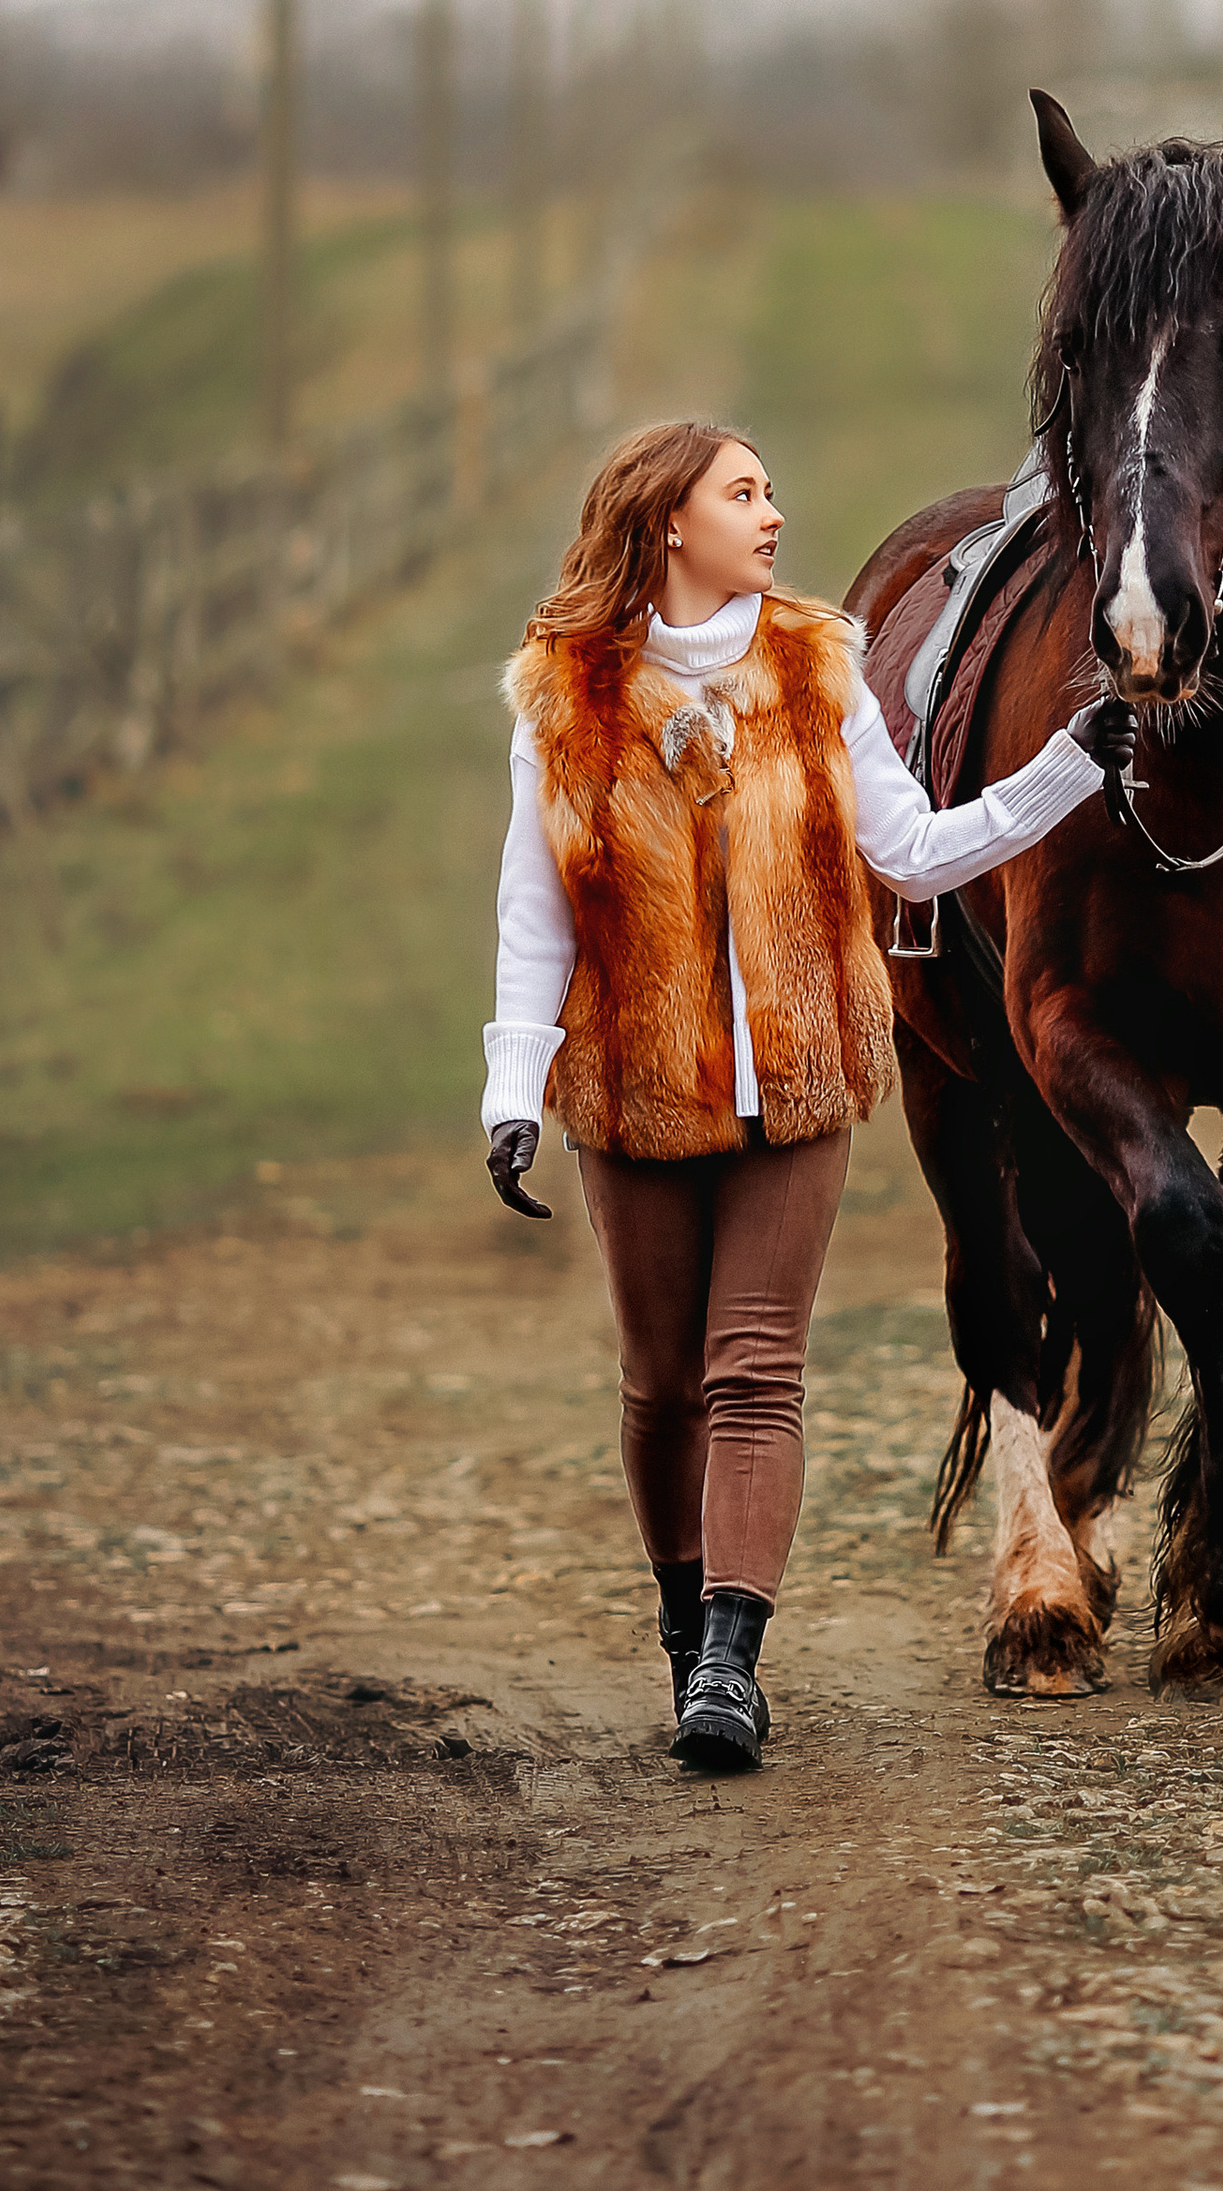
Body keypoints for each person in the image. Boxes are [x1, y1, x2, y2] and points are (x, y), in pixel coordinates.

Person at [481, 417, 1134, 1772]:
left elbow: (916, 848)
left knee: (755, 1375)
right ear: (668, 524)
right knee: (662, 1387)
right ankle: (682, 1620)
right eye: (744, 494)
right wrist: (514, 1082)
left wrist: (1071, 764)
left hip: (802, 1070)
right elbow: (534, 905)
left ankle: (730, 1659)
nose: (774, 514)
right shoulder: (567, 697)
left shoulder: (819, 665)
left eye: (771, 490)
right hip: (637, 1081)